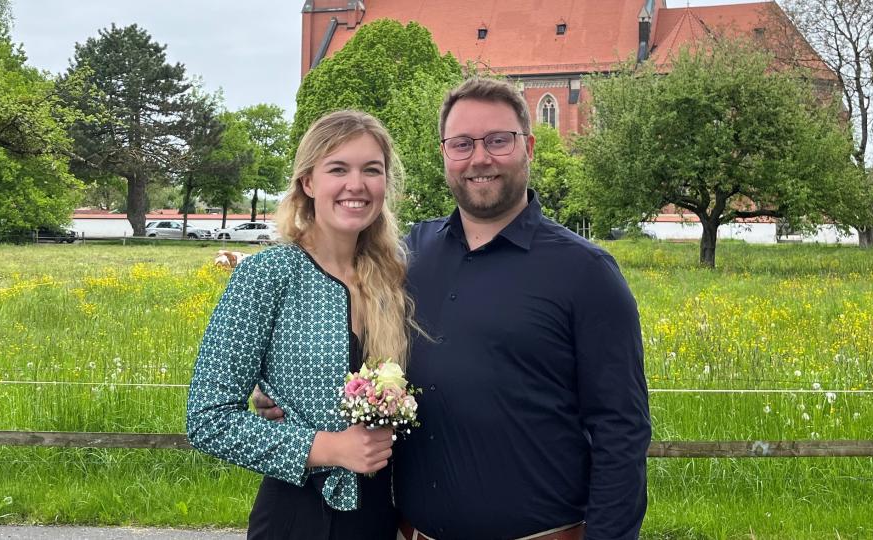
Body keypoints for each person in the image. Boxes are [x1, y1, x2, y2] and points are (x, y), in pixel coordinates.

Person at [255, 78, 651, 540]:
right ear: (445, 153)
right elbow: (362, 360)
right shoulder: (404, 258)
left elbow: (621, 434)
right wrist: (291, 391)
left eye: (498, 140)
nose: (479, 158)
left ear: (530, 147)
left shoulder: (586, 273)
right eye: (462, 143)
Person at [186, 110, 418, 539]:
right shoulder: (269, 275)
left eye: (372, 169)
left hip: (379, 518)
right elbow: (208, 419)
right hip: (298, 516)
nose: (356, 184)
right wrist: (328, 447)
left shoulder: (395, 278)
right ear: (308, 183)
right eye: (338, 169)